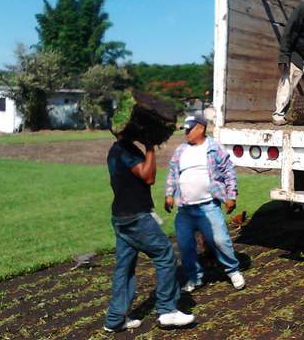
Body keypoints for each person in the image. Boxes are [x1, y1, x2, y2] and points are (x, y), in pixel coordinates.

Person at [104, 131, 195, 332]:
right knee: (165, 256)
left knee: (124, 267)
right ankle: (167, 310)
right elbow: (148, 176)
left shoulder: (115, 149)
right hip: (137, 217)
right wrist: (150, 147)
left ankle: (114, 319)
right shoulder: (126, 150)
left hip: (121, 216)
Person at [165, 115, 245, 293]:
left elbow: (228, 172)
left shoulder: (213, 148)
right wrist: (169, 195)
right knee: (185, 245)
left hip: (208, 206)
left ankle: (233, 271)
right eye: (185, 130)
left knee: (220, 240)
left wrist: (231, 196)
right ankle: (194, 277)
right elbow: (172, 174)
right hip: (184, 209)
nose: (186, 133)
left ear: (200, 128)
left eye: (189, 129)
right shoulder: (180, 150)